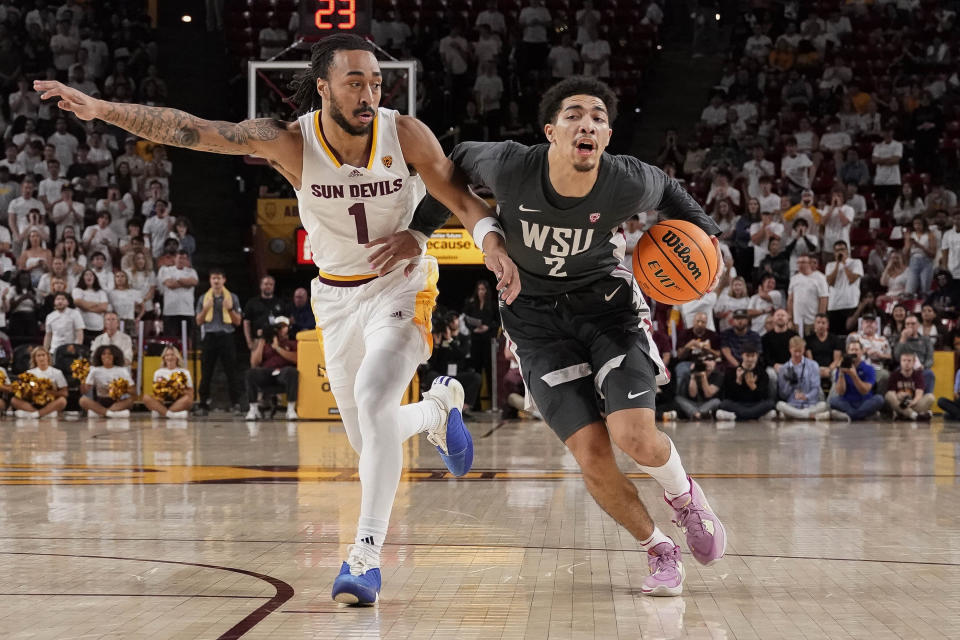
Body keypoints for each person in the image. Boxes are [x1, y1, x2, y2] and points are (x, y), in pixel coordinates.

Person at [35, 34, 521, 605]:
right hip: (336, 300)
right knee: (370, 443)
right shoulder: (290, 142)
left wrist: (490, 245)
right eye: (355, 82)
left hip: (401, 286)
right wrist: (101, 109)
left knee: (372, 400)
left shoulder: (403, 132)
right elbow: (191, 128)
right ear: (323, 88)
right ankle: (438, 409)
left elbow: (462, 198)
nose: (369, 94)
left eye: (376, 83)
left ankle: (364, 557)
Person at [408, 76, 726, 597]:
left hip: (608, 311)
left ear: (606, 136)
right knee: (592, 454)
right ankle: (657, 550)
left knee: (634, 437)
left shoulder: (625, 179)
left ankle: (686, 499)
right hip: (535, 324)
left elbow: (669, 189)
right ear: (551, 131)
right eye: (576, 114)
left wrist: (706, 234)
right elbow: (455, 159)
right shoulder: (512, 164)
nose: (589, 123)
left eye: (599, 117)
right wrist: (423, 230)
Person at [194, 267, 243, 413]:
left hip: (226, 335)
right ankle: (203, 402)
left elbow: (238, 321)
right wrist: (205, 309)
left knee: (231, 371)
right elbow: (198, 321)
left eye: (219, 278)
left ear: (224, 280)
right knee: (206, 371)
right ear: (210, 281)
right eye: (213, 278)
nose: (216, 281)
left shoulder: (232, 297)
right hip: (209, 336)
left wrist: (229, 309)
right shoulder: (204, 298)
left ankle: (235, 403)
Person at [245, 316, 299, 421]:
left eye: (283, 327)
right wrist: (262, 341)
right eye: (278, 328)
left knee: (292, 372)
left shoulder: (292, 343)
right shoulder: (265, 344)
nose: (281, 330)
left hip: (283, 372)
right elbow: (254, 363)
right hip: (267, 372)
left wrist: (277, 348)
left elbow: (296, 359)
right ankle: (253, 409)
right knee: (251, 373)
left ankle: (291, 409)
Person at [462, 279, 499, 408]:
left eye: (483, 289)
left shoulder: (493, 304)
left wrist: (488, 327)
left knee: (489, 371)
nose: (481, 292)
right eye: (479, 289)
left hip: (488, 341)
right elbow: (465, 319)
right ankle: (475, 404)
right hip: (475, 341)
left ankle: (492, 404)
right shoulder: (471, 304)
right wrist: (473, 328)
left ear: (487, 291)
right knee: (475, 372)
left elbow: (498, 322)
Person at [715, 345, 776, 421]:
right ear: (742, 355)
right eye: (747, 356)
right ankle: (753, 416)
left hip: (755, 404)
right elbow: (729, 397)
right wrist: (738, 381)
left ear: (757, 356)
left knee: (770, 404)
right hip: (738, 404)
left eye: (753, 356)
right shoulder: (732, 372)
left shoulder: (762, 373)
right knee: (723, 404)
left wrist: (753, 386)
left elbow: (763, 396)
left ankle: (739, 417)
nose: (750, 359)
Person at [828, 339, 884, 422]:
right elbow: (840, 392)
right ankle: (862, 415)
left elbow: (865, 391)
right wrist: (841, 373)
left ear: (861, 352)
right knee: (833, 400)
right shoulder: (841, 368)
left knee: (879, 399)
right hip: (847, 402)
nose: (854, 352)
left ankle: (850, 415)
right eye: (852, 350)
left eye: (856, 350)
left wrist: (854, 376)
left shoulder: (869, 369)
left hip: (864, 401)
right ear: (847, 352)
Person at [776, 336, 826, 420]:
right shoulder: (784, 369)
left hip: (810, 404)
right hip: (792, 404)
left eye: (800, 351)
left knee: (823, 405)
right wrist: (789, 383)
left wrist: (806, 396)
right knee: (779, 405)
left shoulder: (813, 365)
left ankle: (799, 415)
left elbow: (816, 389)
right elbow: (782, 394)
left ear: (804, 349)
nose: (797, 354)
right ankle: (807, 416)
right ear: (790, 349)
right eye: (795, 351)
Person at [11, 346, 69, 419]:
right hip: (33, 402)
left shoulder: (57, 372)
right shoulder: (29, 373)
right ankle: (40, 413)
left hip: (50, 402)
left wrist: (49, 392)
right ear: (34, 358)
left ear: (48, 357)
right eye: (38, 356)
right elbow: (23, 392)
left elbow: (65, 393)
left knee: (62, 401)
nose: (41, 358)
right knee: (14, 400)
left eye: (43, 355)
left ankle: (36, 414)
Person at [79, 344, 134, 418]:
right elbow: (85, 391)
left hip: (117, 402)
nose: (106, 356)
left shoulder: (122, 370)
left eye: (110, 354)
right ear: (100, 356)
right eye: (104, 354)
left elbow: (133, 391)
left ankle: (101, 413)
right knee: (83, 400)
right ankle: (110, 413)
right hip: (100, 401)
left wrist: (119, 388)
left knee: (130, 401)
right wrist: (82, 378)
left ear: (115, 356)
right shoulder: (95, 370)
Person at [142, 344, 193, 419]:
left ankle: (161, 412)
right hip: (162, 402)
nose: (170, 357)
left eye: (172, 355)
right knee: (146, 397)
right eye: (167, 355)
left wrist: (178, 390)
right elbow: (155, 392)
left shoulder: (185, 372)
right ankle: (171, 415)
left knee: (188, 399)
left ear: (177, 357)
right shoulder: (158, 372)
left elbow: (191, 393)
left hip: (179, 402)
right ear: (164, 358)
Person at [242, 275, 291, 350]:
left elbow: (287, 321)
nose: (268, 286)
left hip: (277, 340)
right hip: (258, 339)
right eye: (266, 284)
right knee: (256, 361)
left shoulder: (281, 303)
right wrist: (249, 342)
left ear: (273, 286)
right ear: (261, 286)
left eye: (271, 284)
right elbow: (246, 323)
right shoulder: (252, 303)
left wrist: (284, 338)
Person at [825, 240, 863, 335]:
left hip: (851, 304)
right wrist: (838, 264)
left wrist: (844, 264)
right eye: (837, 250)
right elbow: (830, 282)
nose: (840, 252)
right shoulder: (830, 265)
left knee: (851, 335)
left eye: (842, 249)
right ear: (834, 253)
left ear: (847, 251)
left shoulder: (856, 262)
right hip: (834, 305)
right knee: (834, 335)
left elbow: (852, 279)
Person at [157, 250, 198, 337]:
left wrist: (177, 279)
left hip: (187, 311)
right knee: (171, 340)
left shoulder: (192, 271)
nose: (181, 260)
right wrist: (186, 282)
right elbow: (170, 284)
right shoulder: (166, 270)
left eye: (184, 258)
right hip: (170, 311)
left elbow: (194, 282)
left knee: (187, 339)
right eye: (179, 258)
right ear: (175, 258)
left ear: (187, 260)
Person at [885, 351, 934, 421]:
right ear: (900, 362)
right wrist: (898, 395)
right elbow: (892, 393)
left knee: (930, 397)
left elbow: (919, 393)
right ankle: (915, 415)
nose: (906, 363)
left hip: (913, 403)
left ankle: (904, 415)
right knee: (888, 395)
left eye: (909, 361)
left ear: (914, 362)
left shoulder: (918, 374)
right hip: (899, 403)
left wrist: (913, 402)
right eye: (904, 360)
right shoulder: (894, 375)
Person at [893, 314, 935, 393]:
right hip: (904, 367)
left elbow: (930, 359)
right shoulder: (900, 339)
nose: (910, 326)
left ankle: (927, 399)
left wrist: (924, 366)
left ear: (918, 325)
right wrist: (903, 338)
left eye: (913, 324)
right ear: (904, 325)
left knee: (929, 373)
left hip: (921, 368)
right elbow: (897, 357)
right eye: (908, 324)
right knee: (896, 372)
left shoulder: (925, 340)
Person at [787, 255, 828, 334]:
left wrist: (820, 319)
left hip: (812, 319)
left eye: (803, 262)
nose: (800, 265)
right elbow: (790, 300)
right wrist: (790, 318)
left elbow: (823, 299)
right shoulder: (794, 279)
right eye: (798, 263)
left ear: (810, 263)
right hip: (797, 320)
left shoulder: (820, 278)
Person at [675, 353, 722, 420]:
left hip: (707, 403)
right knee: (678, 399)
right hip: (692, 403)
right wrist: (693, 377)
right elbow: (692, 395)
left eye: (711, 360)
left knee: (716, 401)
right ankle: (700, 415)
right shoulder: (689, 374)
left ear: (715, 363)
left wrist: (703, 377)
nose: (708, 363)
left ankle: (696, 414)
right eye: (705, 360)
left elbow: (708, 394)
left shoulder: (718, 375)